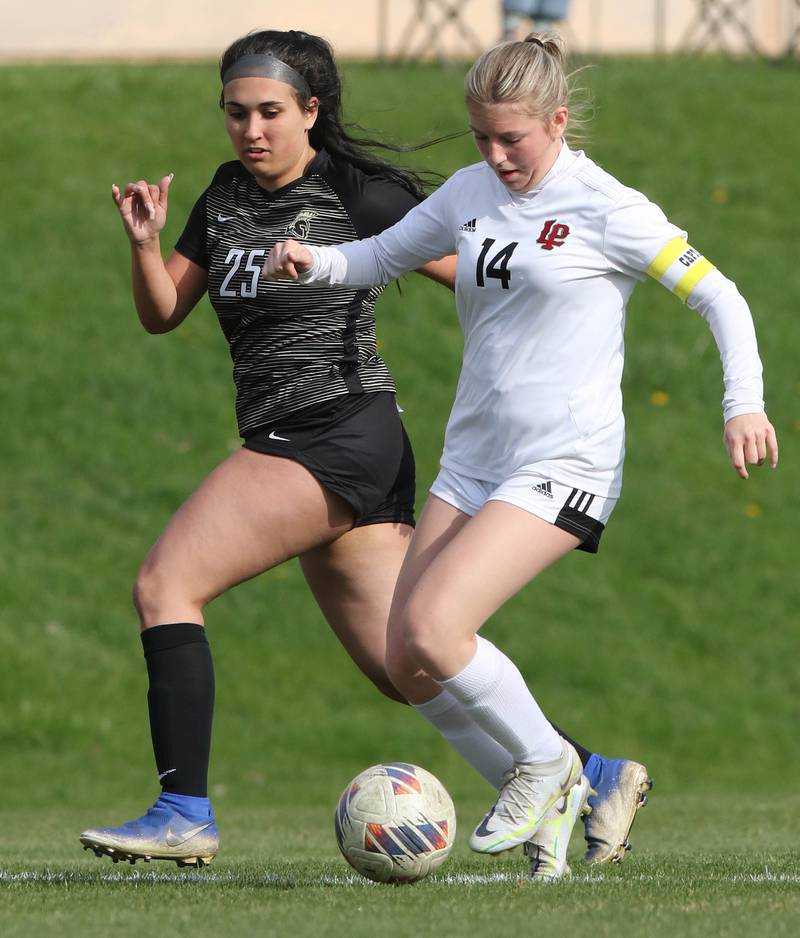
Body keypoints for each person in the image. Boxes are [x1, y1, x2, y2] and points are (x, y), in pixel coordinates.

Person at [77, 29, 643, 876]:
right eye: (235, 113)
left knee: (166, 585)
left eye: (270, 111)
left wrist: (548, 366)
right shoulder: (224, 197)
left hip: (337, 432)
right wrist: (143, 243)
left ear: (312, 109)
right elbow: (163, 313)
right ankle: (593, 777)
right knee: (402, 664)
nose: (250, 129)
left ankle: (182, 811)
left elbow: (491, 271)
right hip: (301, 438)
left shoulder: (360, 195)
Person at [264, 32, 778, 878]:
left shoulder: (607, 206)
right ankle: (553, 800)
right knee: (407, 659)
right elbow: (380, 257)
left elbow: (719, 296)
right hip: (473, 459)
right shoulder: (471, 192)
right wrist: (313, 261)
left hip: (564, 460)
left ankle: (550, 768)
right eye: (483, 138)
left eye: (515, 139)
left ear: (559, 121)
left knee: (438, 625)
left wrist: (742, 404)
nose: (497, 156)